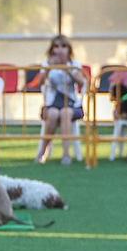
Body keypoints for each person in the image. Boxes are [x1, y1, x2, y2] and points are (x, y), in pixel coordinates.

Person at [32, 35, 87, 166]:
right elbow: (39, 82)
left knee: (66, 113)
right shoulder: (47, 64)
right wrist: (49, 69)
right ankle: (42, 152)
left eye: (63, 46)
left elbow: (82, 83)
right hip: (52, 103)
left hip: (72, 103)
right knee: (53, 114)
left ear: (69, 49)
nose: (60, 50)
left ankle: (66, 154)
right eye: (56, 46)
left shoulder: (75, 65)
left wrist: (67, 70)